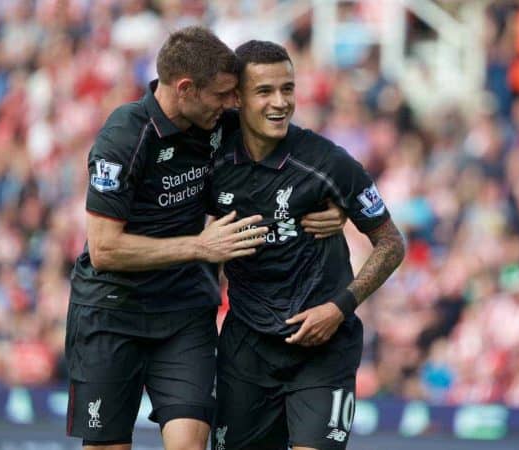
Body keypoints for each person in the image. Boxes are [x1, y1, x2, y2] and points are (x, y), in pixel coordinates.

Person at [65, 27, 345, 450]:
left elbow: (300, 159)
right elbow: (104, 250)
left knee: (191, 445)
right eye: (221, 94)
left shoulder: (219, 123)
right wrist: (200, 246)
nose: (231, 103)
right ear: (185, 89)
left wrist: (337, 201)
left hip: (184, 313)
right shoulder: (124, 136)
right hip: (111, 312)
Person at [208, 41, 405, 450]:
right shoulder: (210, 155)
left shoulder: (328, 163)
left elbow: (390, 243)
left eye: (288, 89)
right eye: (265, 91)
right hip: (247, 347)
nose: (280, 103)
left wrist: (340, 307)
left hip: (324, 349)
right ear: (237, 98)